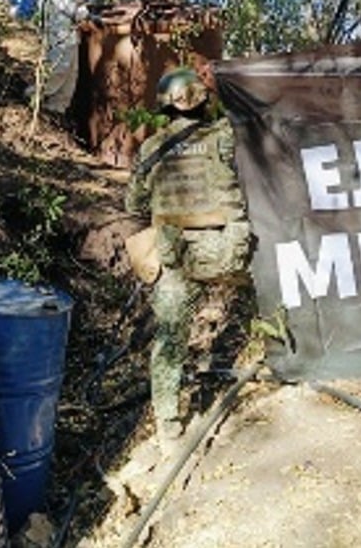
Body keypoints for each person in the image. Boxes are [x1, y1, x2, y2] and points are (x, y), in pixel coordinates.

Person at [125, 65, 252, 448]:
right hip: (234, 254)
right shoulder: (226, 137)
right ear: (203, 100)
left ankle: (168, 426)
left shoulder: (150, 149)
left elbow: (134, 202)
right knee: (273, 292)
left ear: (166, 106)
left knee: (169, 338)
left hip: (177, 258)